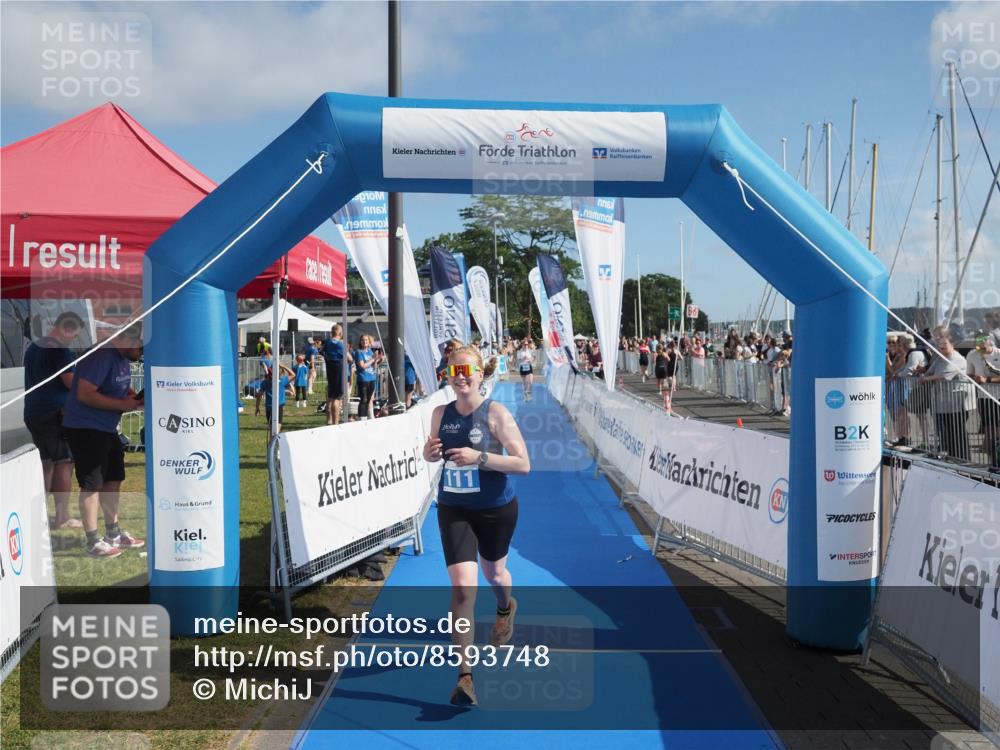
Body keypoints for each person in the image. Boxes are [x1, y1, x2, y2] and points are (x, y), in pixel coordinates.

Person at [422, 345, 530, 706]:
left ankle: (505, 608)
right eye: (455, 371)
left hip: (496, 509)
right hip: (454, 508)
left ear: (481, 373)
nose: (462, 376)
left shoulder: (496, 413)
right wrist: (430, 453)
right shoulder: (440, 413)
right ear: (448, 376)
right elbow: (430, 450)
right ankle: (465, 676)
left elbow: (523, 463)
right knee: (463, 588)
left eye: (468, 369)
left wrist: (479, 457)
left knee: (495, 574)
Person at [61, 326, 145, 558]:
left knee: (114, 478)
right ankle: (92, 541)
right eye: (140, 345)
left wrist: (133, 398)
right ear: (127, 339)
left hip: (106, 428)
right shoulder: (101, 355)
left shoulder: (122, 358)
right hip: (85, 427)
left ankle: (113, 533)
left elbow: (119, 387)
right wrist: (122, 405)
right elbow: (84, 394)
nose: (142, 351)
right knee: (92, 483)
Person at [23, 312, 84, 529]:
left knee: (46, 464)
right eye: (74, 335)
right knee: (64, 462)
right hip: (53, 413)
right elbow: (70, 382)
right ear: (66, 328)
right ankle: (62, 517)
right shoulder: (59, 349)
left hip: (33, 412)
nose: (73, 340)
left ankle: (38, 515)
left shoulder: (34, 348)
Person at [920, 327, 973, 461]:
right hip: (942, 403)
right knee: (945, 432)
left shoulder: (956, 358)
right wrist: (923, 375)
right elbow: (930, 371)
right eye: (939, 346)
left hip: (956, 403)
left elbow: (944, 375)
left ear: (952, 345)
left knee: (957, 431)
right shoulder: (940, 359)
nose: (941, 348)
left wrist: (926, 379)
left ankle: (963, 458)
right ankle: (949, 456)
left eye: (944, 346)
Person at [967, 334, 1000, 471]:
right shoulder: (972, 354)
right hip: (983, 397)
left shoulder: (998, 353)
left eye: (983, 342)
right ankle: (993, 462)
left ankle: (996, 460)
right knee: (988, 430)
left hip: (998, 397)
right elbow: (968, 374)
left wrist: (988, 380)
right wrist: (975, 379)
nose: (981, 345)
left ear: (989, 342)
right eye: (978, 343)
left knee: (997, 430)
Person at [322, 324, 353, 426]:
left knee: (330, 397)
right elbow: (350, 358)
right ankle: (335, 422)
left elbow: (321, 351)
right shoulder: (340, 344)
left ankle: (328, 420)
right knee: (337, 398)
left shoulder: (327, 343)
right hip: (339, 371)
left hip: (330, 370)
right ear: (340, 333)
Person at [255, 362, 295, 436]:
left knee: (273, 429)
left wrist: (257, 408)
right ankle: (273, 445)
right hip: (278, 407)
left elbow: (259, 396)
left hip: (268, 407)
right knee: (276, 430)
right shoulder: (282, 381)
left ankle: (272, 445)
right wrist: (284, 366)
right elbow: (293, 375)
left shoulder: (265, 383)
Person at [353, 334, 382, 420]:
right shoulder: (359, 352)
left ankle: (370, 416)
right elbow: (362, 366)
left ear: (369, 342)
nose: (364, 342)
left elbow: (373, 366)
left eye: (366, 340)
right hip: (363, 379)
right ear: (360, 342)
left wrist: (377, 360)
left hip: (371, 378)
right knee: (364, 399)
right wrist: (373, 359)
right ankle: (362, 418)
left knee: (370, 399)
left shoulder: (370, 351)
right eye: (363, 340)